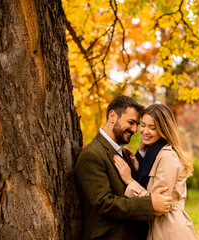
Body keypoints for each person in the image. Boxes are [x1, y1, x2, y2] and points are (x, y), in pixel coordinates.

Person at [74, 96, 173, 240]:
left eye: (137, 125)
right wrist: (149, 204)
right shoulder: (92, 154)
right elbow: (104, 203)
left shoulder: (123, 153)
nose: (134, 130)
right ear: (112, 116)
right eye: (131, 122)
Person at [113, 103, 197, 240]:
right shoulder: (154, 153)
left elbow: (159, 206)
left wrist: (130, 180)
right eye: (144, 125)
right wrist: (137, 167)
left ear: (163, 129)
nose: (145, 131)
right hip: (159, 229)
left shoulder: (167, 156)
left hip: (170, 231)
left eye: (152, 128)